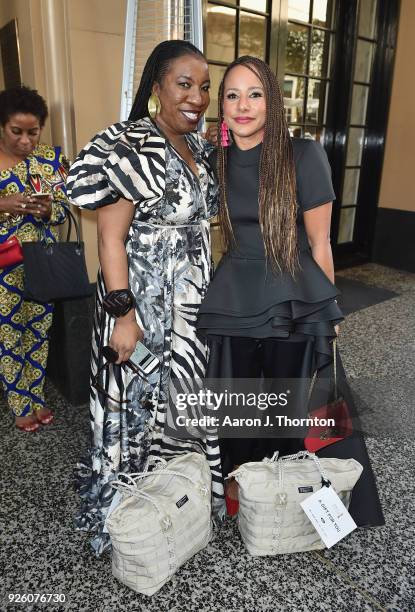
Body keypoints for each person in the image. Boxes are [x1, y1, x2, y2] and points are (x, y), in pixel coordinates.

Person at [197, 56, 384, 527]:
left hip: (293, 296)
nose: (243, 106)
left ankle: (307, 506)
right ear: (221, 104)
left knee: (298, 407)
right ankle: (251, 499)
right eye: (232, 95)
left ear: (273, 102)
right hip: (234, 299)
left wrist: (330, 312)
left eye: (255, 94)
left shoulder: (303, 153)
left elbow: (320, 242)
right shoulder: (214, 160)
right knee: (239, 408)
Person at [67, 40, 220, 555]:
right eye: (184, 84)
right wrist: (124, 316)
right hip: (139, 301)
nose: (197, 97)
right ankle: (125, 510)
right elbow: (110, 238)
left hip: (188, 304)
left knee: (177, 400)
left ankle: (169, 498)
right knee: (132, 404)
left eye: (204, 87)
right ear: (157, 87)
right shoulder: (131, 145)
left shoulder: (197, 148)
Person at [0, 86, 69, 432]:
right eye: (17, 132)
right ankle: (19, 404)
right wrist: (4, 205)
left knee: (39, 333)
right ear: (2, 126)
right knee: (9, 335)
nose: (26, 141)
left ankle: (36, 397)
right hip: (2, 267)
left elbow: (64, 210)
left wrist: (48, 209)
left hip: (42, 261)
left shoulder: (48, 161)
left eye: (33, 131)